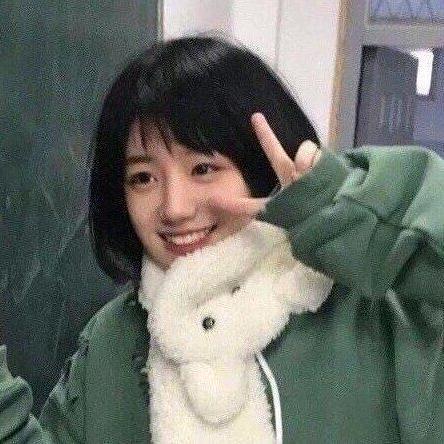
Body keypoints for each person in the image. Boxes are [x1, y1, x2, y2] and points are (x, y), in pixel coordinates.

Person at [0, 35, 443, 444]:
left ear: (258, 167)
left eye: (203, 168)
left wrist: (342, 212)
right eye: (143, 177)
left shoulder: (372, 308)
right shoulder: (112, 339)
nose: (174, 208)